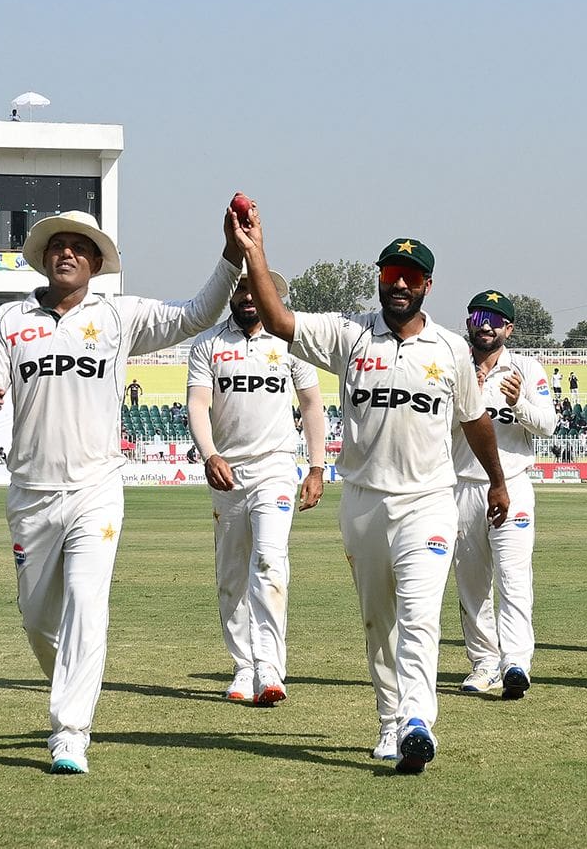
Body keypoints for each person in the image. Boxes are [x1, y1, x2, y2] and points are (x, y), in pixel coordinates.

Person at [232, 204, 508, 775]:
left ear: (428, 286)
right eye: (390, 275)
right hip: (363, 501)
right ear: (379, 279)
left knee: (419, 614)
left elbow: (474, 419)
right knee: (377, 620)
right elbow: (281, 321)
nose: (400, 284)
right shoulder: (349, 334)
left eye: (411, 277)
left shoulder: (452, 349)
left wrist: (499, 480)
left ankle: (416, 721)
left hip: (428, 502)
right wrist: (256, 250)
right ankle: (389, 718)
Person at [0, 207, 242, 774]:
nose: (66, 253)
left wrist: (233, 255)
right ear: (45, 258)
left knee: (87, 606)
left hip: (96, 488)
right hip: (31, 492)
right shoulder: (9, 319)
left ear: (95, 262)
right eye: (57, 245)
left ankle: (70, 731)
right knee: (40, 620)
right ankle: (75, 683)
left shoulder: (119, 317)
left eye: (78, 246)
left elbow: (197, 314)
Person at [187, 266, 327, 705]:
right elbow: (197, 402)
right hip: (228, 472)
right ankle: (243, 666)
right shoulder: (208, 343)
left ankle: (268, 666)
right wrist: (210, 454)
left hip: (276, 468)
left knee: (269, 561)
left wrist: (317, 466)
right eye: (241, 289)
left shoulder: (291, 342)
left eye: (256, 289)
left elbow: (311, 405)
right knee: (232, 573)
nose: (248, 297)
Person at [452, 290, 555, 698]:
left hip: (512, 483)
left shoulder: (526, 368)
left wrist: (521, 402)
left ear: (509, 329)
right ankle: (483, 664)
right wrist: (468, 395)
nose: (486, 326)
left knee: (514, 577)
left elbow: (547, 425)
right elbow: (437, 429)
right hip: (462, 484)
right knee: (471, 583)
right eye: (479, 317)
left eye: (495, 320)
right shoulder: (453, 364)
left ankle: (516, 661)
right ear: (469, 324)